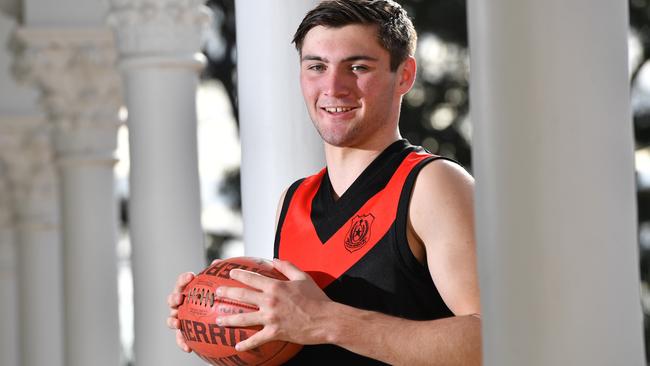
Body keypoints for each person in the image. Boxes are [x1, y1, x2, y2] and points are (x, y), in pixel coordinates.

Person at [167, 0, 481, 364]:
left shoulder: (432, 184)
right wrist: (219, 317)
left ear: (405, 74)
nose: (334, 86)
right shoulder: (294, 201)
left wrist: (327, 320)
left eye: (358, 67)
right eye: (316, 66)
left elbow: (496, 340)